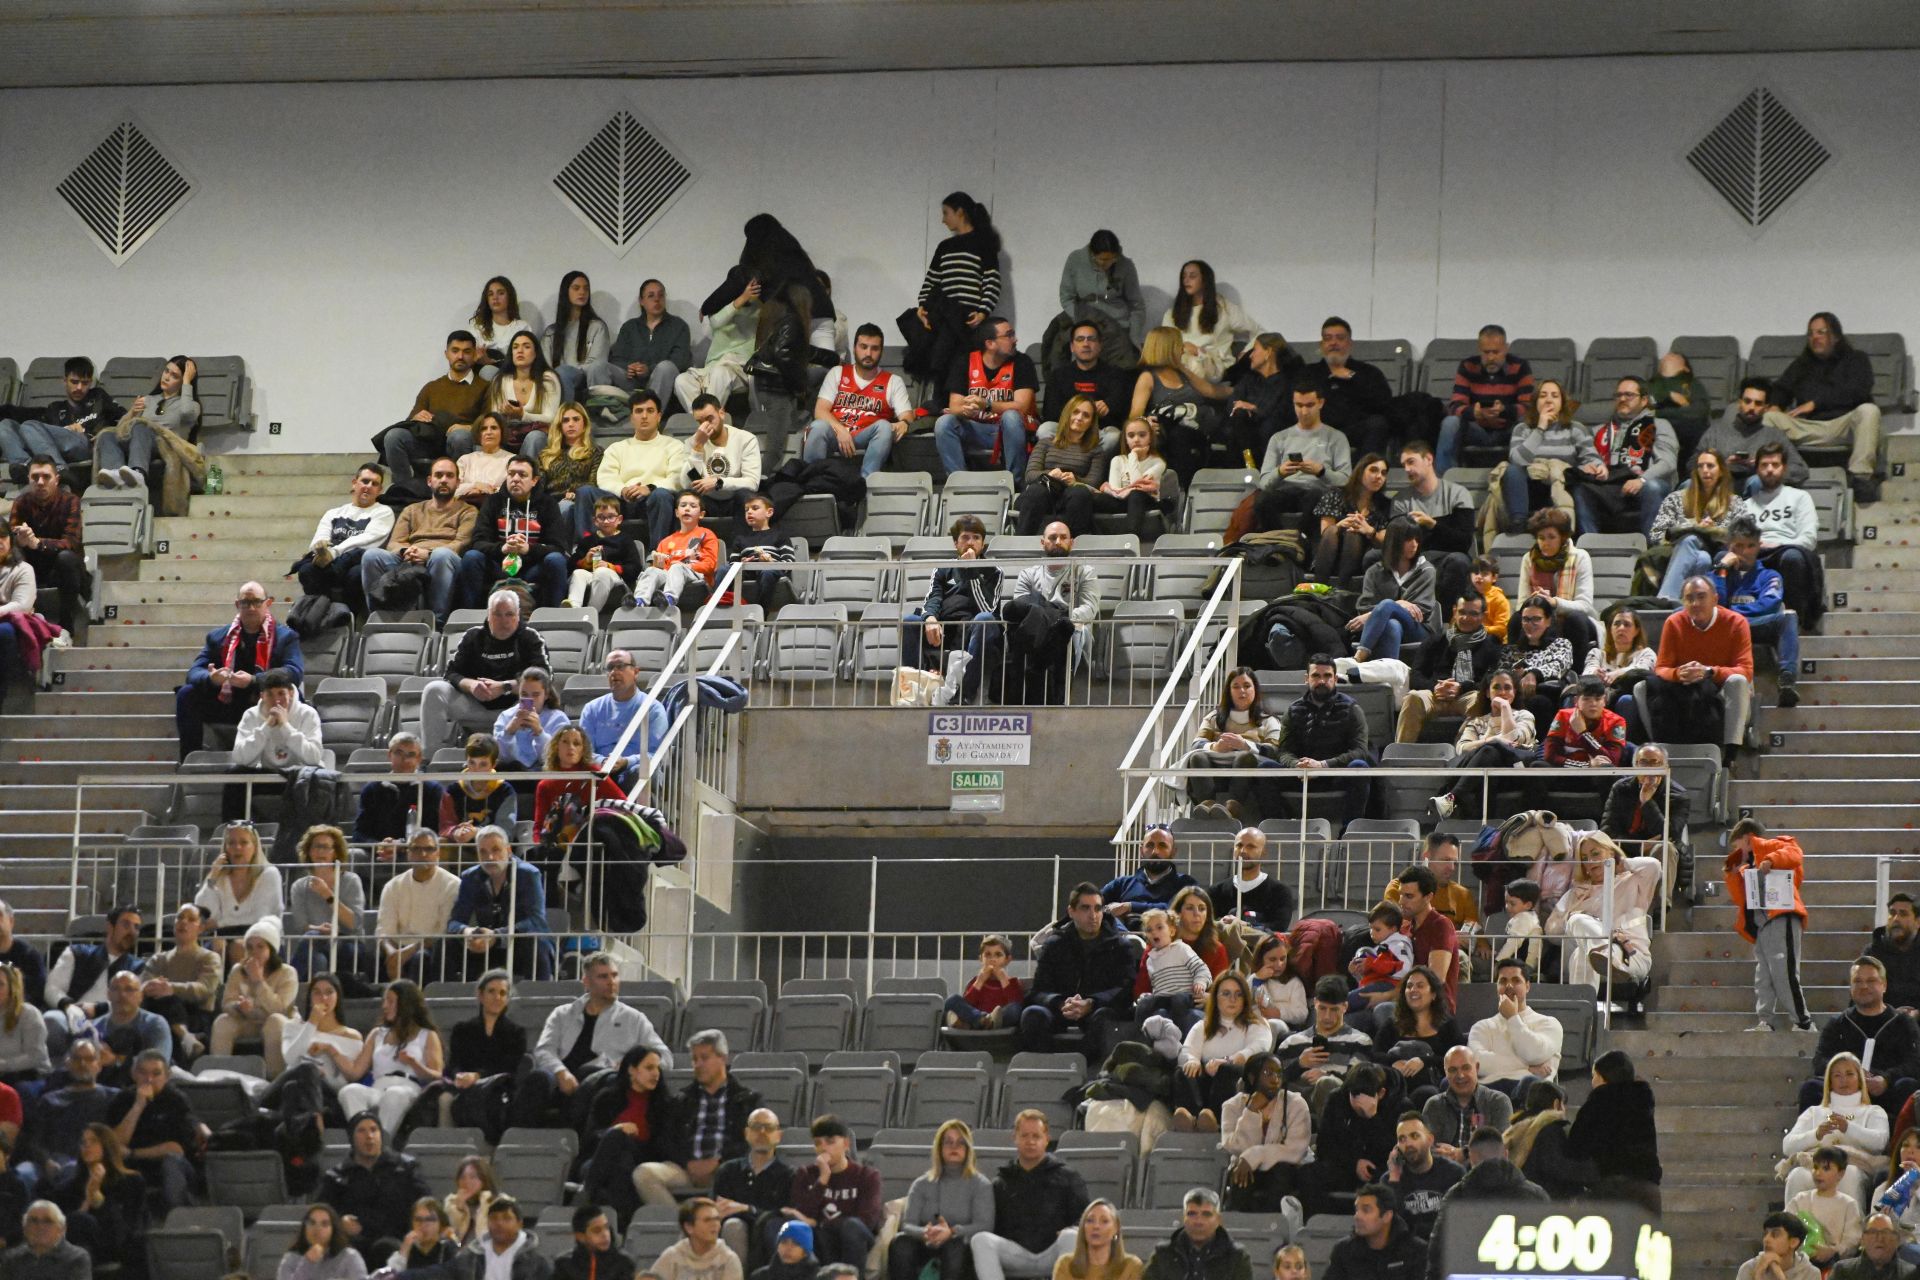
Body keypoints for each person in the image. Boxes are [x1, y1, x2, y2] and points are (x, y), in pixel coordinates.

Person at [518, 954, 671, 1129]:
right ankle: (518, 1141)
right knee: (538, 1078)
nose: (611, 982)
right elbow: (544, 1050)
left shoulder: (634, 1019)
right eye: (603, 977)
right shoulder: (563, 1014)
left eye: (614, 975)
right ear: (587, 982)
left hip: (601, 1082)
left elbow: (665, 1057)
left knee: (594, 1076)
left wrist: (630, 1066)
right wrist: (561, 1073)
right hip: (562, 1079)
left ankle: (569, 1137)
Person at [1764, 311, 1886, 504]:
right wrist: (1776, 405)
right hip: (1808, 426)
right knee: (1768, 418)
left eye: (1821, 332)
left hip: (1843, 425)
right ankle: (1775, 476)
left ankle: (1861, 478)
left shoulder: (1856, 359)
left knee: (1869, 411)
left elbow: (1858, 392)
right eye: (1811, 333)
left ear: (1835, 336)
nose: (1815, 338)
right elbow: (1781, 388)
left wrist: (1815, 403)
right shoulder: (1802, 364)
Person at [174, 581, 304, 759]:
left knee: (295, 696)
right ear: (237, 605)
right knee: (187, 694)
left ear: (268, 603)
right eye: (245, 603)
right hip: (227, 701)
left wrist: (254, 680)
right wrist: (212, 678)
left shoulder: (286, 637)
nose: (251, 608)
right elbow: (194, 672)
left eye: (257, 602)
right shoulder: (218, 637)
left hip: (265, 702)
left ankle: (289, 759)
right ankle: (190, 761)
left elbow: (293, 672)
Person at [635, 1030, 761, 1210]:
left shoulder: (747, 1100)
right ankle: (682, 1223)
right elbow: (665, 1141)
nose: (698, 1064)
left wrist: (718, 1162)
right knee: (644, 1174)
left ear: (723, 1058)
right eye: (694, 1059)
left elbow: (751, 1142)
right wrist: (688, 1163)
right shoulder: (681, 1100)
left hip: (726, 1169)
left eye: (704, 1057)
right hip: (686, 1169)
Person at [421, 590, 550, 754]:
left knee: (534, 695)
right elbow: (451, 673)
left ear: (518, 616)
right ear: (489, 615)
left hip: (514, 710)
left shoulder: (531, 638)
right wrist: (472, 685)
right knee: (434, 689)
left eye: (509, 614)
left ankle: (522, 757)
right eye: (498, 614)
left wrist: (504, 687)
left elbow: (544, 677)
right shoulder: (473, 636)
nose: (504, 621)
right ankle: (430, 759)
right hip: (475, 705)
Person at [1020, 884, 1137, 1063]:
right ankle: (1046, 1069)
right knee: (1033, 1014)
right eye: (1085, 908)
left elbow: (1126, 989)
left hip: (1098, 1008)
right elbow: (1038, 991)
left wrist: (1091, 1002)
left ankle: (1079, 1069)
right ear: (1071, 911)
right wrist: (1059, 1003)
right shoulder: (1054, 944)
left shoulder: (1120, 946)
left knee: (1105, 1018)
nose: (1093, 915)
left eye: (1098, 908)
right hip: (1062, 1008)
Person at [969, 1110, 1088, 1280]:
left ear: (1046, 1139)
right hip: (1016, 1254)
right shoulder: (1001, 1182)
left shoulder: (1068, 1176)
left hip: (1054, 1253)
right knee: (981, 1240)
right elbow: (991, 1224)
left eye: (1036, 1136)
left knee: (1072, 1236)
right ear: (1015, 1138)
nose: (1030, 1141)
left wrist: (1072, 1228)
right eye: (1024, 1135)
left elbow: (1085, 1217)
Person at [359, 457, 477, 624]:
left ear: (458, 482)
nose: (443, 480)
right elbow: (395, 542)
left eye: (449, 476)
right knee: (372, 556)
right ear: (430, 481)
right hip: (409, 559)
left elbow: (461, 543)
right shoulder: (412, 510)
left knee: (441, 555)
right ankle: (379, 619)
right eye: (439, 475)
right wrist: (406, 551)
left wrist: (428, 554)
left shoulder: (468, 511)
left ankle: (437, 623)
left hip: (445, 560)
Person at [1645, 574, 1754, 751]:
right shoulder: (1674, 623)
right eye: (1689, 599)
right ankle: (1656, 751)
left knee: (1738, 681)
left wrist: (1709, 672)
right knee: (1640, 687)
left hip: (1724, 689)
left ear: (1715, 599)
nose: (1695, 603)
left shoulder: (1737, 622)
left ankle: (1730, 754)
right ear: (1683, 602)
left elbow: (1746, 671)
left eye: (1701, 597)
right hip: (1688, 688)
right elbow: (1662, 668)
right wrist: (1678, 673)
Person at [1803, 957, 1920, 1121]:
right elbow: (1820, 1061)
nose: (1864, 986)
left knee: (1908, 1087)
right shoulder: (1838, 1023)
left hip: (1885, 1090)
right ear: (1851, 987)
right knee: (1811, 1088)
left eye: (1871, 980)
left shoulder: (1903, 1023)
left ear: (1884, 985)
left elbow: (1914, 1062)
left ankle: (1903, 1145)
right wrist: (1848, 1076)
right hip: (1843, 1092)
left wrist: (1886, 1079)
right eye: (1857, 981)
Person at [914, 194, 1005, 403]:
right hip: (944, 315)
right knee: (941, 356)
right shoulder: (944, 247)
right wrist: (922, 306)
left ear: (960, 212)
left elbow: (992, 281)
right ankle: (940, 404)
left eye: (946, 213)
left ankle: (956, 404)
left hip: (967, 318)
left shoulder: (984, 244)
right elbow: (932, 280)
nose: (943, 219)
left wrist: (983, 311)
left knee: (961, 361)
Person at [902, 516, 1001, 706]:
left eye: (976, 537)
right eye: (965, 537)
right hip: (946, 627)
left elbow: (986, 606)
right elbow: (933, 598)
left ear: (983, 543)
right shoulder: (943, 568)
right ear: (956, 543)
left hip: (977, 628)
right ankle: (914, 693)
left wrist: (971, 570)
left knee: (985, 619)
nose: (970, 542)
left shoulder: (994, 571)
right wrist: (930, 618)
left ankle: (965, 694)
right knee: (910, 620)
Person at [999, 522, 1099, 705]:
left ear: (1072, 542)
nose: (1058, 541)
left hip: (1069, 625)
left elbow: (1089, 608)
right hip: (1042, 628)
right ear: (1042, 542)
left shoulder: (1085, 572)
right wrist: (1051, 616)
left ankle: (1050, 693)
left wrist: (1060, 617)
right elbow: (1021, 608)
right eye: (1052, 538)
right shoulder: (1028, 574)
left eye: (1063, 537)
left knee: (1056, 622)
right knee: (1031, 609)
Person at [1270, 655, 1374, 827]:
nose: (1322, 681)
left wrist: (1323, 765)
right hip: (1301, 775)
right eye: (1316, 676)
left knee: (1359, 767)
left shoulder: (1352, 709)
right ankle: (1279, 828)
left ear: (1335, 679)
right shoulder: (1294, 710)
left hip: (1335, 774)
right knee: (1265, 769)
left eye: (1327, 676)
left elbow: (1360, 751)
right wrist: (1296, 765)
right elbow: (1284, 751)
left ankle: (1348, 833)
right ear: (1307, 679)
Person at [887, 1120, 995, 1280]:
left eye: (960, 1142)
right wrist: (925, 1232)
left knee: (955, 1247)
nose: (954, 1147)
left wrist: (951, 1232)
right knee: (900, 1243)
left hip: (960, 1245)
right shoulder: (922, 1183)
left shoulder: (980, 1184)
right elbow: (908, 1224)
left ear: (968, 1149)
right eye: (948, 1142)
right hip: (926, 1242)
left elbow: (985, 1225)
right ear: (939, 1148)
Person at [459, 455, 568, 609]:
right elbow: (478, 542)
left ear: (534, 480)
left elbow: (558, 546)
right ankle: (470, 616)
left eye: (522, 475)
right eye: (511, 474)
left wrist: (528, 549)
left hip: (532, 568)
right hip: (499, 566)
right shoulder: (493, 501)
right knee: (472, 557)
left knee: (556, 560)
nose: (515, 479)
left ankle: (553, 616)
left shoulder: (547, 504)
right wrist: (502, 548)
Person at [1574, 377, 1678, 539]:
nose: (1622, 399)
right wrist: (1590, 467)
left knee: (1653, 487)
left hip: (1643, 484)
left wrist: (1642, 480)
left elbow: (1667, 462)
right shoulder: (1600, 431)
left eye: (1629, 395)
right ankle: (1591, 546)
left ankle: (1653, 551)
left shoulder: (1659, 425)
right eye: (1619, 395)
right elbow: (1586, 458)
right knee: (1581, 489)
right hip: (1610, 486)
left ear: (1644, 400)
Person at [1715, 515, 1802, 708]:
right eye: (1738, 545)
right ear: (1728, 546)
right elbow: (1713, 606)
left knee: (1788, 616)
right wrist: (1721, 571)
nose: (1744, 551)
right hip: (1724, 628)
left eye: (1750, 546)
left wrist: (1730, 611)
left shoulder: (1770, 575)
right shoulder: (1717, 574)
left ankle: (1786, 681)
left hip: (1756, 626)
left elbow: (1768, 605)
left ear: (1759, 546)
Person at [805, 325, 913, 479]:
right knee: (817, 426)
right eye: (863, 347)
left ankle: (866, 482)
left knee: (884, 426)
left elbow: (907, 414)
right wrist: (841, 430)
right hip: (836, 435)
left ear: (881, 352)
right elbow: (820, 411)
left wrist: (904, 422)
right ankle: (814, 482)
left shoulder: (893, 381)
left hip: (866, 436)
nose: (868, 353)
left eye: (874, 348)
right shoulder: (838, 373)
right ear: (855, 348)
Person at [377, 332, 489, 480]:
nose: (460, 356)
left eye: (466, 351)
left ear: (474, 354)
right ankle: (402, 488)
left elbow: (490, 421)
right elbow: (411, 420)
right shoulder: (432, 387)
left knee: (460, 436)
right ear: (446, 354)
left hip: (460, 441)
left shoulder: (485, 387)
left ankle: (458, 489)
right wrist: (416, 417)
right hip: (429, 440)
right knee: (394, 436)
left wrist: (469, 427)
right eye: (455, 351)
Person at [935, 317, 1036, 480]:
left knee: (1011, 416)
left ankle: (1015, 482)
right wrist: (966, 410)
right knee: (944, 423)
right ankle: (959, 482)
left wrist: (987, 405)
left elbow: (1022, 407)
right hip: (977, 429)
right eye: (1009, 335)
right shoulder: (965, 362)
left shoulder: (1022, 362)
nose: (1015, 339)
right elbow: (954, 406)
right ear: (990, 343)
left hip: (1011, 430)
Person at [336, 981, 442, 1136]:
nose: (385, 1006)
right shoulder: (377, 1034)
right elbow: (354, 1073)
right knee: (349, 1091)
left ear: (406, 1003)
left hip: (408, 1088)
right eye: (384, 1001)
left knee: (394, 1094)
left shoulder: (426, 1035)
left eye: (390, 1001)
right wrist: (333, 1051)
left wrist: (413, 1063)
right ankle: (361, 1139)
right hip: (378, 1087)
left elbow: (436, 1075)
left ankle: (382, 1142)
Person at [445, 826, 552, 979]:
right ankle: (448, 1000)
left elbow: (536, 921)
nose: (490, 857)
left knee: (535, 943)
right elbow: (454, 922)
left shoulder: (528, 874)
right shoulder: (470, 877)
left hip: (519, 944)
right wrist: (467, 932)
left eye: (496, 850)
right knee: (445, 944)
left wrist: (496, 935)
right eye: (483, 852)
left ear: (508, 850)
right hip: (485, 947)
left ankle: (539, 998)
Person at [104, 1049, 203, 1212]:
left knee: (170, 1163)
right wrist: (138, 1105)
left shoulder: (176, 1100)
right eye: (143, 1073)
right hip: (134, 1167)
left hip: (175, 1166)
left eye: (156, 1074)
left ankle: (179, 1218)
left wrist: (133, 1153)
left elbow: (176, 1150)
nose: (149, 1079)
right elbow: (116, 1145)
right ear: (133, 1074)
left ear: (167, 1076)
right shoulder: (122, 1100)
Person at [1173, 974, 1274, 1131]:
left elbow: (1257, 1050)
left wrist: (1228, 1060)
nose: (1232, 999)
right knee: (1184, 1070)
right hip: (1207, 1080)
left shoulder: (1257, 1024)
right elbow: (1187, 1051)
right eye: (1226, 994)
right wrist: (1192, 1060)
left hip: (1239, 1082)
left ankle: (1217, 1121)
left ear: (1245, 999)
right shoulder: (1202, 1026)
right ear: (1216, 998)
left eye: (1238, 994)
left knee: (1227, 1070)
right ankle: (1192, 1120)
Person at [1500, 379, 1605, 530]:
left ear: (1562, 402)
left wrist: (1598, 466)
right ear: (1536, 402)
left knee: (1581, 488)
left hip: (1563, 484)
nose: (1549, 400)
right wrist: (1540, 428)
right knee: (1512, 471)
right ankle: (1519, 525)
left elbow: (1591, 457)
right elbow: (1518, 460)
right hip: (1531, 486)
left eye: (1555, 396)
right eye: (1543, 396)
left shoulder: (1575, 428)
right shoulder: (1522, 429)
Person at [1566, 1049, 1661, 1213]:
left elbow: (1577, 1146)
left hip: (1613, 1189)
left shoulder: (1598, 1101)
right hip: (1648, 1190)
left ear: (1603, 1077)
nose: (1592, 1081)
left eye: (1594, 1075)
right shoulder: (1642, 1100)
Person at [782, 1115, 883, 1268]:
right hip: (819, 1239)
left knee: (851, 1226)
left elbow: (867, 1221)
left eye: (830, 1142)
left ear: (846, 1144)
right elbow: (801, 1215)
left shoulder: (867, 1176)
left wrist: (819, 1223)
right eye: (818, 1143)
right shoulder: (805, 1174)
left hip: (854, 1239)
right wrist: (823, 1179)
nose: (823, 1148)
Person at [42, 1124, 143, 1275]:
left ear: (107, 1145)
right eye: (83, 1142)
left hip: (116, 1242)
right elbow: (63, 1226)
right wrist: (88, 1200)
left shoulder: (131, 1180)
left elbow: (128, 1225)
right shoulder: (70, 1187)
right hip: (78, 1246)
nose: (87, 1145)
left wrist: (97, 1197)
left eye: (94, 1141)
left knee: (82, 1223)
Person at [1298, 1065, 1397, 1219]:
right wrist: (1354, 1163)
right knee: (1309, 1173)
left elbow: (1392, 1150)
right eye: (1354, 1094)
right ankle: (1316, 1225)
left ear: (1381, 1093)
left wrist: (1372, 1118)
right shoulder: (1337, 1099)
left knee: (1390, 1178)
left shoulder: (1396, 1106)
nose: (1359, 1101)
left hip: (1378, 1168)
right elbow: (1325, 1146)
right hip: (1344, 1165)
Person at [42, 909, 142, 1061]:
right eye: (126, 924)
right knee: (51, 1020)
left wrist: (98, 1008)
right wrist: (69, 1006)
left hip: (111, 1019)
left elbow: (135, 1003)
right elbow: (52, 988)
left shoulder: (138, 967)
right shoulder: (76, 952)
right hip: (70, 1013)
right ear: (110, 927)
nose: (132, 931)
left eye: (136, 927)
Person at [1652, 447, 1751, 600]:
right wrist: (1694, 526)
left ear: (1721, 471)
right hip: (1677, 553)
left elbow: (1743, 537)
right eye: (1700, 466)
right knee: (1698, 551)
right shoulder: (1676, 498)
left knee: (1701, 551)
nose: (1705, 470)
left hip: (1718, 554)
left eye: (1710, 466)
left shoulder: (1734, 502)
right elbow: (1656, 534)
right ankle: (1679, 603)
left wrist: (1713, 531)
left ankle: (1666, 600)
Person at [1253, 382, 1351, 535]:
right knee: (1262, 500)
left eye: (1309, 405)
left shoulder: (1336, 437)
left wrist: (1321, 471)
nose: (1304, 411)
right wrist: (1280, 472)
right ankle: (1277, 539)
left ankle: (1301, 539)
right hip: (1286, 489)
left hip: (1318, 490)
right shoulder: (1279, 438)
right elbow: (1264, 483)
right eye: (1299, 405)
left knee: (1316, 496)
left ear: (1321, 403)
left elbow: (1345, 480)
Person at [0, 356, 124, 476]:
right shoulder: (55, 408)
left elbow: (122, 419)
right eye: (74, 382)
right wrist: (67, 429)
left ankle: (57, 468)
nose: (79, 388)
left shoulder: (99, 397)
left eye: (84, 383)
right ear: (65, 381)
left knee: (29, 425)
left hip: (86, 443)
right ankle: (22, 464)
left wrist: (97, 433)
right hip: (57, 445)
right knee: (5, 424)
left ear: (91, 382)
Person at [5, 459, 87, 635]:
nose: (40, 482)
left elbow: (72, 542)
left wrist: (38, 543)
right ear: (28, 479)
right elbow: (9, 541)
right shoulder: (20, 502)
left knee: (66, 558)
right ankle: (23, 616)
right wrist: (19, 541)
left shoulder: (71, 501)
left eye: (46, 477)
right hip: (33, 566)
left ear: (56, 479)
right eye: (35, 477)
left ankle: (66, 620)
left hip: (64, 568)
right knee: (12, 554)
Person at [1435, 326, 1534, 473]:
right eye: (1486, 352)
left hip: (1508, 429)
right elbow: (1455, 406)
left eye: (1496, 352)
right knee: (1450, 423)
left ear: (1506, 349)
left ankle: (1522, 475)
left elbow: (1528, 406)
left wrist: (1504, 411)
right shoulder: (1467, 366)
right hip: (1476, 428)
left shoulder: (1520, 367)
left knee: (1525, 425)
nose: (1491, 357)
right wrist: (1473, 413)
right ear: (1479, 349)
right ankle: (1444, 479)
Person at [1747, 441, 1825, 628]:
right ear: (1757, 469)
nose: (1770, 470)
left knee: (1792, 557)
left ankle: (1793, 622)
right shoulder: (1745, 505)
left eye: (1775, 465)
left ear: (1784, 468)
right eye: (1764, 465)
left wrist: (1779, 544)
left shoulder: (1800, 497)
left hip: (1787, 550)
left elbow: (1808, 539)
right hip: (1755, 552)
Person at [296, 463, 394, 611]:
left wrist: (333, 553)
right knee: (306, 570)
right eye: (365, 481)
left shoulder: (383, 512)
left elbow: (367, 541)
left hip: (354, 561)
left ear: (379, 490)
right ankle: (319, 614)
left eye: (374, 484)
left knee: (357, 574)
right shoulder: (333, 513)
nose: (368, 486)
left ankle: (349, 618)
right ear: (354, 483)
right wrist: (321, 550)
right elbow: (319, 539)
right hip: (328, 561)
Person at [1276, 977, 1380, 1116]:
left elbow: (1359, 1083)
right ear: (1315, 1004)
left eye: (1334, 1010)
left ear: (1345, 1007)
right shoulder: (1291, 1043)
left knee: (1326, 1083)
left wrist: (1328, 1075)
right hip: (1296, 1105)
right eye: (1322, 1008)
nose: (1327, 1016)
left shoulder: (1360, 1041)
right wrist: (1299, 1064)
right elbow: (1274, 1081)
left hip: (1336, 1105)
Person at [1391, 441, 1477, 608]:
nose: (1407, 469)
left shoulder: (1458, 494)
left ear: (1428, 459)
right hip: (1414, 557)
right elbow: (1398, 542)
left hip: (1448, 557)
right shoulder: (1401, 500)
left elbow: (1464, 541)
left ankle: (1447, 619)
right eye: (1404, 465)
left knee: (1459, 561)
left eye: (1411, 462)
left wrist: (1432, 525)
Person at [1219, 1054, 1310, 1211]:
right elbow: (1235, 1147)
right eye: (1268, 1073)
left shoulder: (1296, 1104)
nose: (1275, 1079)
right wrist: (1251, 1111)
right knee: (1239, 1173)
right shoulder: (1232, 1106)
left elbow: (1295, 1150)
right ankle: (1237, 1226)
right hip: (1245, 1169)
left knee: (1281, 1170)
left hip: (1287, 1170)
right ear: (1252, 1077)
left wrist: (1253, 1156)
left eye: (1279, 1074)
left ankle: (1273, 1227)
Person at [208, 918, 297, 1074]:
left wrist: (258, 982)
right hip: (247, 1021)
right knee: (222, 1022)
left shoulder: (287, 973)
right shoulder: (238, 970)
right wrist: (238, 1007)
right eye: (249, 947)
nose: (254, 952)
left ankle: (274, 1079)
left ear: (272, 950)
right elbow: (227, 1002)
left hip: (276, 1022)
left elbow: (280, 1008)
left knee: (275, 1022)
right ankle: (218, 1077)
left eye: (260, 947)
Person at [1465, 959, 1561, 1102]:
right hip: (1487, 1091)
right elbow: (1478, 1063)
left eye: (1516, 980)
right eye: (1503, 981)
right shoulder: (1481, 1026)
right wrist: (1527, 1067)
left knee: (1530, 1083)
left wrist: (1512, 1017)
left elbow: (1534, 1054)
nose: (1509, 985)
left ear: (1527, 986)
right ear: (1497, 987)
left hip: (1527, 1089)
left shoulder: (1549, 1023)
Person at [137, 904, 219, 1064]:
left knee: (167, 999)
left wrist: (171, 988)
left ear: (201, 928)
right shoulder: (158, 959)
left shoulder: (209, 957)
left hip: (195, 1013)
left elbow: (205, 989)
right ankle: (185, 1037)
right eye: (180, 917)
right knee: (160, 1001)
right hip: (160, 1011)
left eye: (191, 919)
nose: (183, 922)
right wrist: (155, 987)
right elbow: (144, 986)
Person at [375, 828, 460, 982]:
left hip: (432, 951)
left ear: (438, 853)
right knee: (372, 959)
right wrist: (392, 953)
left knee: (420, 959)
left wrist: (407, 952)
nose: (423, 854)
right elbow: (384, 932)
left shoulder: (453, 885)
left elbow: (443, 933)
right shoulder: (393, 886)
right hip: (398, 950)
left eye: (429, 849)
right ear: (408, 853)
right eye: (416, 849)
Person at [579, 649, 670, 792]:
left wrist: (626, 762)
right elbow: (584, 751)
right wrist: (602, 761)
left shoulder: (653, 708)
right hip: (601, 770)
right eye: (610, 668)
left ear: (636, 672)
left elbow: (658, 754)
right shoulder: (592, 708)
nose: (614, 672)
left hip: (634, 770)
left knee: (639, 772)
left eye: (620, 666)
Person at [1306, 317, 1395, 460]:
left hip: (1355, 430)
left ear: (1349, 344)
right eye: (1328, 338)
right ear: (1321, 344)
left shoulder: (1368, 372)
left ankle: (1364, 475)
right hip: (1319, 431)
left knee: (1378, 424)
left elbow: (1385, 405)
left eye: (1340, 338)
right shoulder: (1307, 373)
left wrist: (1353, 377)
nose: (1333, 343)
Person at [193, 822, 284, 962]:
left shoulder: (269, 874)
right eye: (231, 843)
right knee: (213, 950)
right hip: (223, 936)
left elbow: (261, 916)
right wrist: (212, 875)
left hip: (260, 935)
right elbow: (204, 912)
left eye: (244, 842)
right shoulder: (219, 876)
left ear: (254, 847)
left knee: (238, 948)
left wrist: (220, 923)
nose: (237, 847)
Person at [1700, 377, 1810, 492]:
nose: (1752, 407)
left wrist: (1763, 468)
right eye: (1747, 401)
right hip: (1719, 489)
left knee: (1756, 481)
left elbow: (1800, 470)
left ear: (1766, 408)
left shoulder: (1775, 436)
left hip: (1759, 493)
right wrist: (1721, 466)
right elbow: (1692, 464)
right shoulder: (1716, 432)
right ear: (1739, 403)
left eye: (1758, 403)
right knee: (1689, 484)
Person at [1347, 517, 1435, 661]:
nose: (1414, 545)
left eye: (1417, 540)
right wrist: (1398, 605)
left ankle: (1358, 657)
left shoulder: (1426, 570)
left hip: (1419, 629)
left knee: (1388, 604)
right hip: (1382, 628)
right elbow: (1363, 607)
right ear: (1394, 541)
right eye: (1409, 540)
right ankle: (1389, 676)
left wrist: (1391, 607)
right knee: (1392, 625)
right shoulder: (1374, 571)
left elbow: (1422, 612)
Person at [1015, 397, 1104, 537]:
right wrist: (1050, 474)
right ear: (1067, 414)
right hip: (1045, 492)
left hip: (1074, 496)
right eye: (1075, 412)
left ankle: (1074, 547)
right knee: (1036, 490)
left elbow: (1094, 482)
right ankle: (1021, 546)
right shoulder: (1046, 443)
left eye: (1086, 415)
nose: (1079, 418)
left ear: (1091, 422)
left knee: (1079, 493)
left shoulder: (1095, 450)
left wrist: (1076, 480)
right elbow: (1030, 475)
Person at [1055, 230, 1146, 367]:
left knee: (1121, 377)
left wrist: (1134, 338)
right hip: (1087, 327)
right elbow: (1066, 297)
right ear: (1092, 255)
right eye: (1103, 260)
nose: (1107, 264)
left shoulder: (1126, 265)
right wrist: (1080, 321)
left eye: (1112, 259)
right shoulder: (1075, 260)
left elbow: (1137, 305)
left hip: (1119, 331)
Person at [1163, 261, 1258, 384]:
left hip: (1213, 365)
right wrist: (1183, 347)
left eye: (1192, 276)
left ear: (1204, 280)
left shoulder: (1223, 308)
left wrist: (1246, 351)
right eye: (1183, 276)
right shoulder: (1172, 314)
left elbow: (1258, 331)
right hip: (1182, 362)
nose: (1186, 280)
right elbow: (1164, 344)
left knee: (1195, 364)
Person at [677, 276, 759, 417]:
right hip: (711, 367)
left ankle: (711, 421)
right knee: (682, 381)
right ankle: (702, 422)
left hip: (739, 367)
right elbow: (716, 322)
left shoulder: (760, 309)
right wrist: (740, 300)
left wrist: (749, 298)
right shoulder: (722, 309)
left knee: (720, 374)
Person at [1043, 322, 1135, 445]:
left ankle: (1093, 462)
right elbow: (1050, 412)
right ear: (1072, 347)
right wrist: (1083, 410)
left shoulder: (1116, 374)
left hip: (1101, 431)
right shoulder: (1058, 375)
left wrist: (1108, 407)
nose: (1086, 344)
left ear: (1100, 345)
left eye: (1091, 339)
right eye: (1080, 339)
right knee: (1045, 430)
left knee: (1114, 437)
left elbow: (1122, 409)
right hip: (1066, 431)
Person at [607, 279, 693, 410]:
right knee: (599, 367)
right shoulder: (630, 327)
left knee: (666, 367)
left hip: (661, 381)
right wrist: (629, 367)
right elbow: (616, 358)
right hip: (631, 381)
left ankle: (652, 416)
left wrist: (649, 369)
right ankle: (603, 419)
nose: (657, 300)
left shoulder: (679, 326)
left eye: (661, 295)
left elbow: (680, 361)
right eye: (651, 296)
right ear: (641, 301)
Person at [1218, 334, 1302, 468]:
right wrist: (1245, 410)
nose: (1250, 355)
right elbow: (1232, 405)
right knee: (1238, 419)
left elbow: (1278, 413)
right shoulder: (1248, 380)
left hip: (1270, 436)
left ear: (1268, 352)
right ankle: (1248, 467)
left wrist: (1254, 409)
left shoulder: (1287, 383)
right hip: (1242, 432)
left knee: (1266, 426)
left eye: (1255, 350)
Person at [1421, 1047, 1513, 1166]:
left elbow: (1500, 1144)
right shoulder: (1434, 1105)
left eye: (1466, 1068)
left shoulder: (1498, 1102)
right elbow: (1428, 1147)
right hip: (1445, 1174)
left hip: (1486, 1175)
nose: (1460, 1075)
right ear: (1446, 1073)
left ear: (1477, 1068)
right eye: (1453, 1070)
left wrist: (1463, 1153)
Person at [1312, 454, 1393, 587]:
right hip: (1330, 553)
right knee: (1333, 530)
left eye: (1383, 473)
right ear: (1360, 471)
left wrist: (1369, 530)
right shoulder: (1336, 494)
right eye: (1373, 470)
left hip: (1361, 557)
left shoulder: (1384, 504)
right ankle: (1318, 587)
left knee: (1354, 533)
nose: (1379, 476)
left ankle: (1341, 589)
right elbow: (1325, 532)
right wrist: (1340, 525)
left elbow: (1386, 540)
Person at [633, 492, 719, 610]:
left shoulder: (707, 534)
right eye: (683, 505)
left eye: (693, 506)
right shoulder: (666, 541)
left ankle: (669, 599)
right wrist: (658, 566)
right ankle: (639, 601)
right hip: (672, 575)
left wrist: (686, 566)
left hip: (698, 577)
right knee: (652, 570)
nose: (687, 509)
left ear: (701, 514)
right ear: (677, 513)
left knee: (677, 567)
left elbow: (710, 565)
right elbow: (663, 570)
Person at [683, 395, 762, 523]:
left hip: (735, 498)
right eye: (700, 422)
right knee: (685, 500)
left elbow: (752, 483)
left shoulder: (746, 439)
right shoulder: (693, 442)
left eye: (710, 419)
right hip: (706, 500)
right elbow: (686, 484)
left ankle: (743, 542)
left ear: (721, 413)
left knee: (746, 497)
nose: (706, 426)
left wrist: (718, 482)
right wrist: (697, 448)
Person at [1384, 1114, 1462, 1243]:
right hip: (1406, 1254)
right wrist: (1394, 1178)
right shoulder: (1390, 1180)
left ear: (1430, 1139)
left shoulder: (1454, 1174)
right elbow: (1390, 1230)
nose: (1408, 1143)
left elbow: (1460, 1225)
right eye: (1402, 1139)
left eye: (1415, 1136)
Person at [1501, 1081, 1586, 1200]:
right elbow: (1556, 1167)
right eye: (1563, 1104)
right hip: (1546, 1201)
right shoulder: (1550, 1129)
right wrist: (1590, 1171)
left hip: (1521, 1197)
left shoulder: (1516, 1128)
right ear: (1556, 1104)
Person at [85, 972, 170, 1088]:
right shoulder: (94, 1027)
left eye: (129, 989)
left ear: (140, 996)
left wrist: (114, 1061)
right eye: (116, 989)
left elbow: (159, 1066)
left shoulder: (155, 1024)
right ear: (108, 994)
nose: (122, 995)